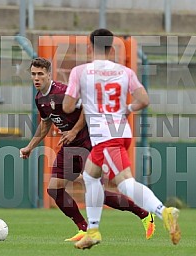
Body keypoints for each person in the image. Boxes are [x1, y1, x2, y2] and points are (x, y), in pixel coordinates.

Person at [63, 28, 181, 249]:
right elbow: (143, 100)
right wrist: (126, 108)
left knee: (125, 183)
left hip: (107, 137)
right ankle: (93, 230)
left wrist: (82, 102)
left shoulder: (80, 72)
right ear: (111, 48)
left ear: (90, 47)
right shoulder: (124, 71)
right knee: (90, 176)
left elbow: (68, 106)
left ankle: (163, 212)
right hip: (120, 131)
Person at [20, 57, 156, 242]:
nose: (37, 78)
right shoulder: (39, 98)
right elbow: (45, 124)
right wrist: (29, 147)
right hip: (69, 146)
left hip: (88, 142)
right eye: (33, 74)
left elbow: (87, 106)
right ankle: (83, 228)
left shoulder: (62, 92)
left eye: (40, 74)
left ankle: (144, 214)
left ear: (49, 74)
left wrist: (74, 131)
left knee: (98, 193)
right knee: (54, 189)